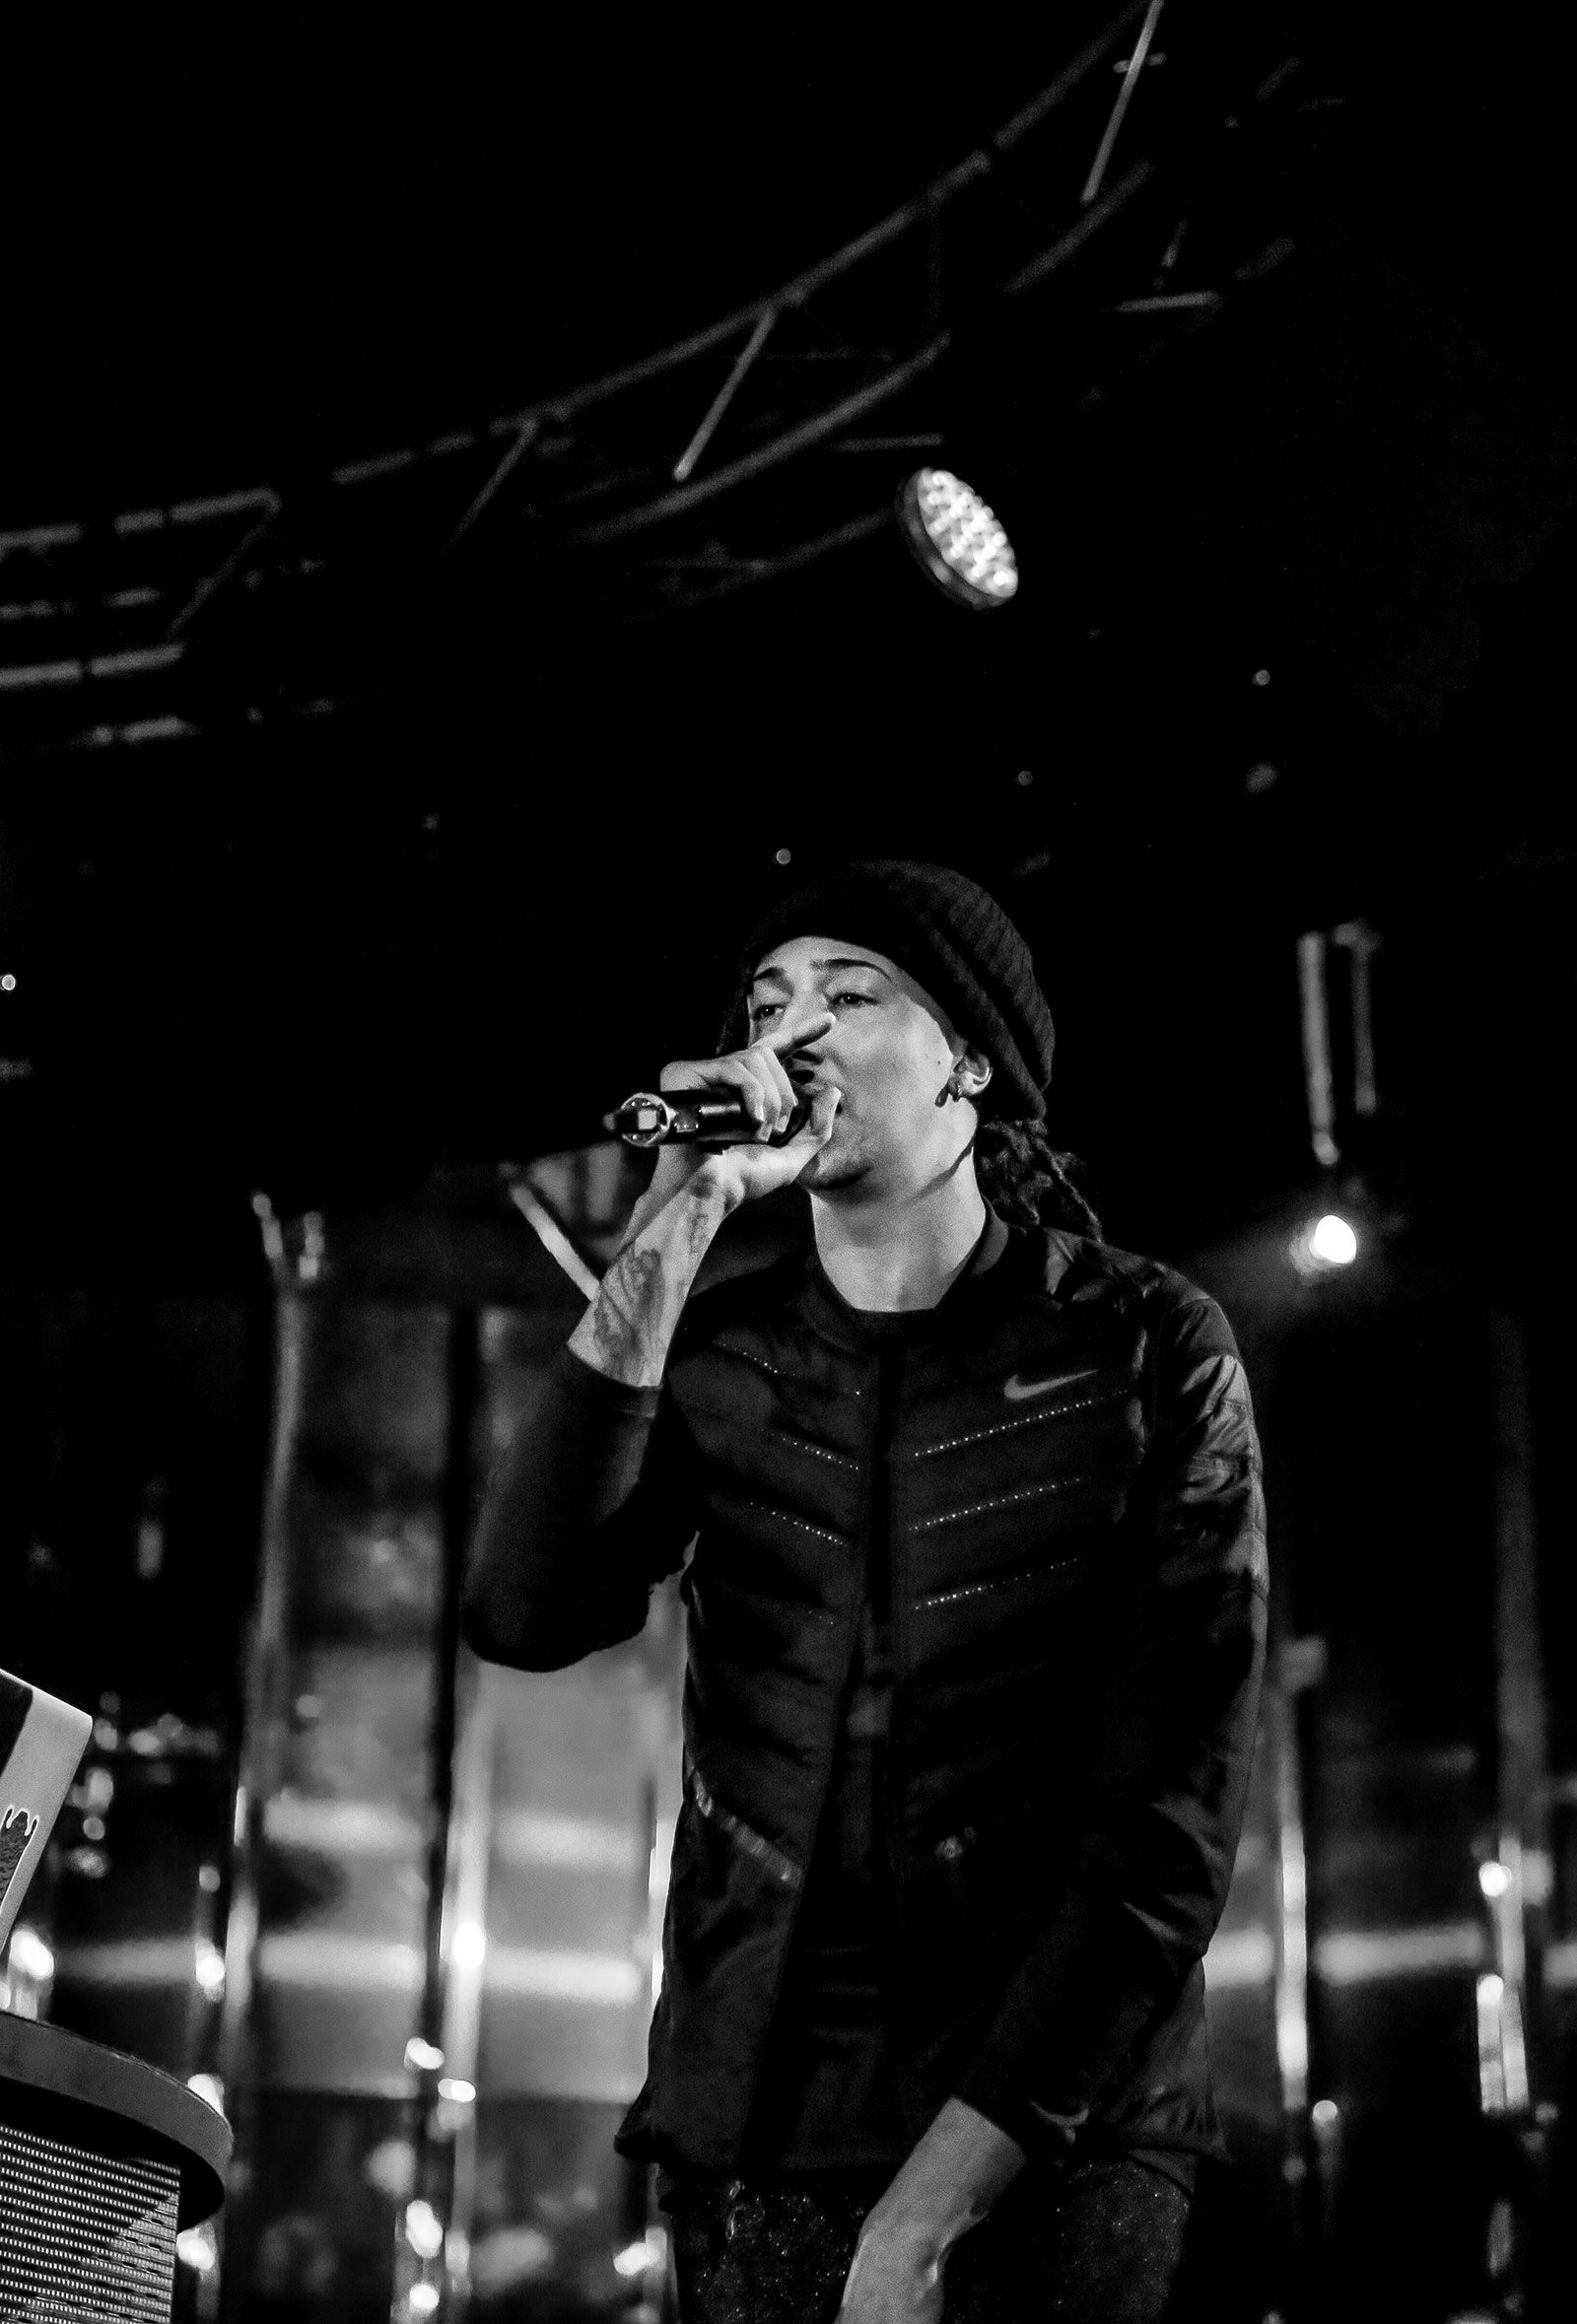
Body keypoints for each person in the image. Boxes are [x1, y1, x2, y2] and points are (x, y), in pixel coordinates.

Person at [463, 859, 1268, 2323]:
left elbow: (1171, 1822)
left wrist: (928, 2214)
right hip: (757, 2130)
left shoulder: (1144, 1343)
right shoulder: (724, 1353)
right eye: (769, 1003)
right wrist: (682, 1212)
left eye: (851, 995)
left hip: (1052, 2133)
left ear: (971, 1061)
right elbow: (525, 1614)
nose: (794, 1034)